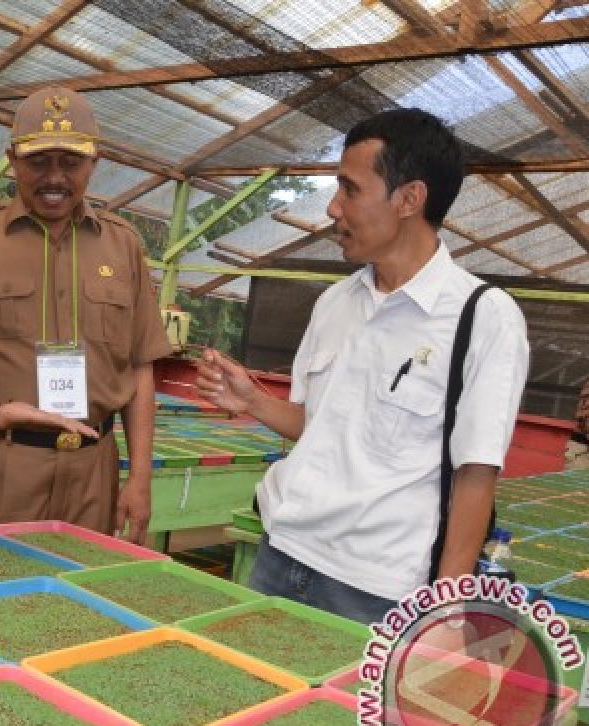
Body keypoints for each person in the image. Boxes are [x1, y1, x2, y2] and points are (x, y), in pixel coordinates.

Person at [197, 109, 529, 624]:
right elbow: (320, 426)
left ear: (409, 199)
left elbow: (474, 478)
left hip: (374, 589)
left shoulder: (482, 317)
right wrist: (254, 402)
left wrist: (444, 613)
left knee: (348, 709)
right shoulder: (335, 303)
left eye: (349, 189)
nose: (333, 208)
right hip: (282, 552)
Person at [0, 86, 172, 542]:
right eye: (38, 161)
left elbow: (140, 370)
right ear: (12, 159)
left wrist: (139, 479)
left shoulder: (123, 244)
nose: (54, 177)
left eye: (71, 163)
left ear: (94, 163)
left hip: (92, 474)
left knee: (77, 602)